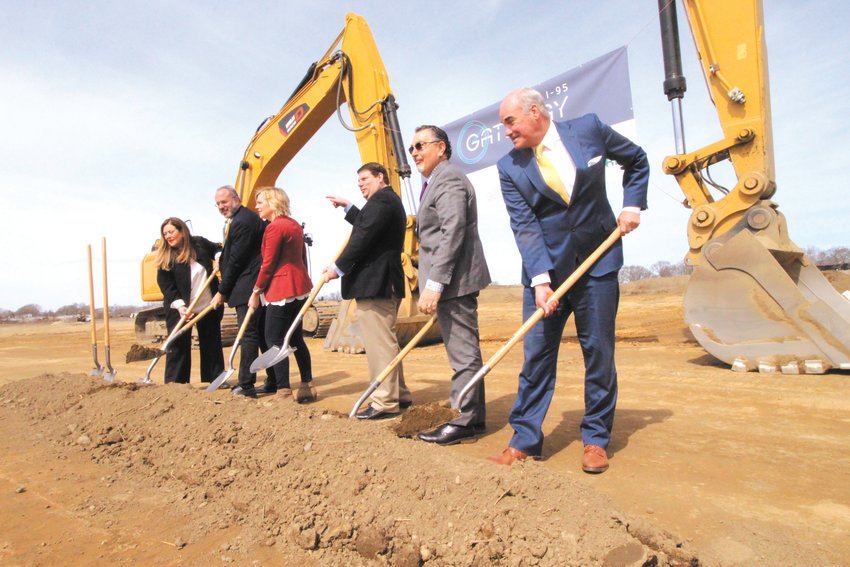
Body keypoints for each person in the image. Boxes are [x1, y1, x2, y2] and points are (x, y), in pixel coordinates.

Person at [490, 87, 649, 473]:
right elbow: (524, 224)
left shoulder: (589, 130)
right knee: (537, 356)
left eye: (510, 122)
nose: (506, 132)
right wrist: (541, 279)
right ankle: (525, 439)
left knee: (598, 354)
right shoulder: (510, 167)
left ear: (533, 112)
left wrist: (631, 205)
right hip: (547, 273)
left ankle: (595, 439)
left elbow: (637, 160)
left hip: (598, 263)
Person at [408, 125, 492, 445]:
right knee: (464, 351)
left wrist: (434, 284)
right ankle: (474, 418)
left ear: (440, 148)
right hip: (452, 281)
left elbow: (452, 231)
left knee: (463, 354)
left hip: (454, 282)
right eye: (411, 147)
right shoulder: (436, 182)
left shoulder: (449, 179)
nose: (414, 152)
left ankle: (462, 421)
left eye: (420, 145)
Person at [323, 162, 412, 419]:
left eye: (364, 179)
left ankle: (384, 402)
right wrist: (349, 207)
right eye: (358, 181)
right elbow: (368, 224)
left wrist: (336, 269)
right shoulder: (385, 202)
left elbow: (362, 237)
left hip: (377, 284)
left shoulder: (382, 202)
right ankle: (400, 394)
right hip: (384, 283)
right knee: (387, 343)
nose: (360, 183)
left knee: (379, 346)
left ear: (380, 177)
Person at [247, 187, 316, 402]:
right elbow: (301, 257)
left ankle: (284, 391)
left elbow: (268, 264)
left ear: (272, 202)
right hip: (299, 287)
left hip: (281, 289)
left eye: (260, 202)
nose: (256, 206)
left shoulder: (274, 228)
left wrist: (256, 291)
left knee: (274, 339)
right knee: (295, 338)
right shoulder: (294, 224)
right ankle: (307, 385)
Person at [209, 185, 272, 395]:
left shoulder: (243, 222)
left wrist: (221, 291)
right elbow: (232, 256)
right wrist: (221, 258)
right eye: (218, 204)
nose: (221, 206)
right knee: (262, 336)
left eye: (224, 202)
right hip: (251, 286)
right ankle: (272, 380)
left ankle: (246, 384)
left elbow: (237, 261)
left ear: (236, 198)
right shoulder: (241, 220)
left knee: (248, 335)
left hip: (246, 287)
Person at [155, 217, 225, 384]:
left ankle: (215, 378)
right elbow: (167, 286)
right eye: (165, 234)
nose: (168, 236)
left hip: (208, 303)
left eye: (171, 232)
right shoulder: (166, 257)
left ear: (182, 231)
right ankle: (175, 382)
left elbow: (218, 246)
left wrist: (218, 257)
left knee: (211, 341)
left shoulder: (199, 243)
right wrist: (180, 307)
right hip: (180, 305)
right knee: (178, 343)